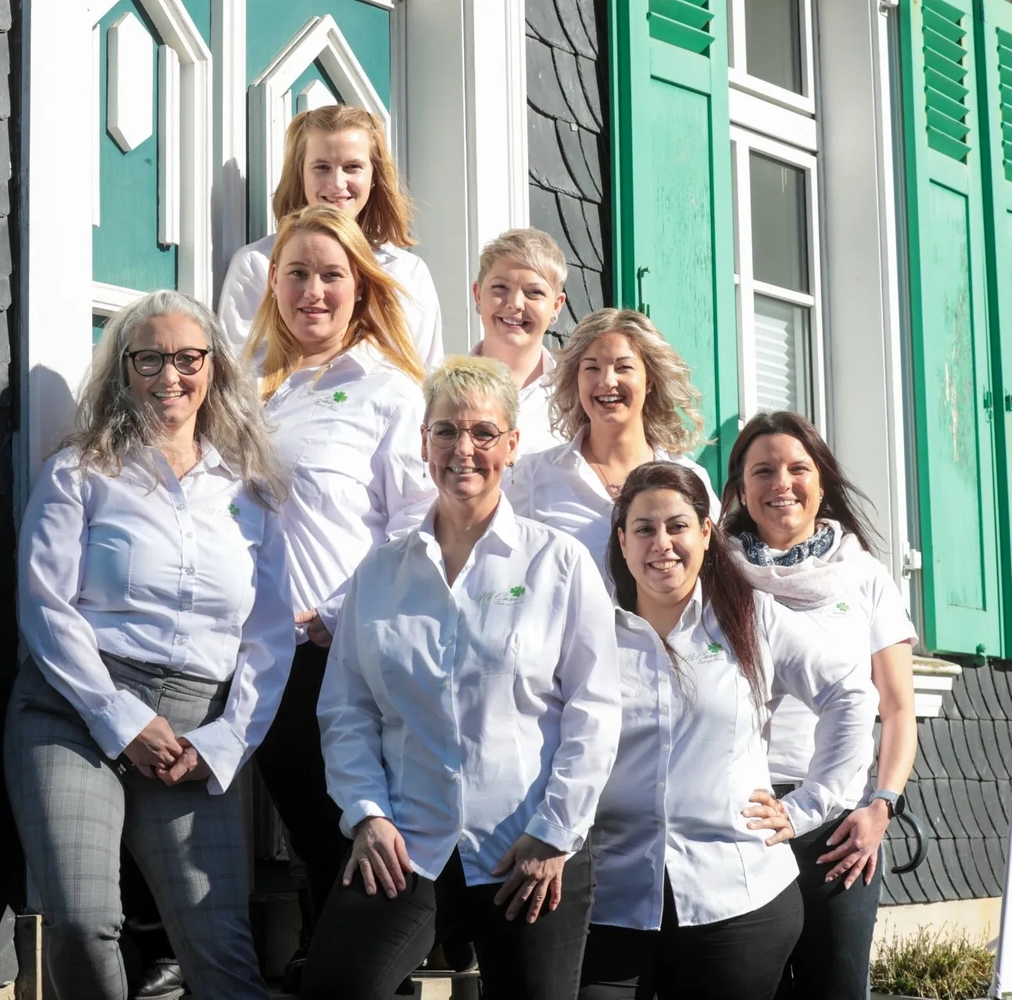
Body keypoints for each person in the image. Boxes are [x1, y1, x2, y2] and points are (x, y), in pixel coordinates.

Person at [4, 289, 294, 1000]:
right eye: (151, 359)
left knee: (219, 949)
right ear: (124, 371)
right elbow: (45, 608)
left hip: (195, 733)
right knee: (81, 923)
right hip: (74, 711)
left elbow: (269, 635)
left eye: (188, 357)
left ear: (214, 368)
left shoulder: (252, 492)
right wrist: (122, 720)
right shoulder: (80, 471)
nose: (171, 375)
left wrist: (226, 743)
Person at [306, 356, 623, 1000]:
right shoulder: (380, 573)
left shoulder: (557, 563)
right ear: (424, 442)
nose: (463, 449)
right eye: (446, 431)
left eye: (483, 432)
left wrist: (554, 832)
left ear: (511, 443)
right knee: (336, 986)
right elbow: (347, 711)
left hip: (527, 850)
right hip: (408, 843)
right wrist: (367, 815)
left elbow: (596, 710)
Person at [579, 461, 876, 1000]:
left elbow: (851, 693)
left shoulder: (751, 618)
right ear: (621, 542)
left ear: (706, 534)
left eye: (677, 526)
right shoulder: (591, 634)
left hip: (737, 899)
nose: (661, 543)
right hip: (614, 897)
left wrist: (810, 804)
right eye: (644, 528)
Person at [245, 203, 437, 986]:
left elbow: (417, 526)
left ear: (361, 287)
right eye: (296, 274)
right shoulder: (256, 388)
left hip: (338, 653)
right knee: (309, 831)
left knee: (343, 837)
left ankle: (345, 971)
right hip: (258, 656)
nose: (312, 291)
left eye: (331, 274)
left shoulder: (388, 391)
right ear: (274, 285)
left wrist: (330, 617)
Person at [720, 411, 919, 1000]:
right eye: (763, 471)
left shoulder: (865, 578)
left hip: (841, 826)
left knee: (834, 987)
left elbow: (899, 709)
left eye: (796, 468)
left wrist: (881, 806)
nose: (781, 482)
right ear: (740, 490)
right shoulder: (714, 578)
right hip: (742, 814)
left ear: (821, 482)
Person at [218, 104, 443, 368]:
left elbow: (427, 376)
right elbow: (238, 375)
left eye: (352, 167)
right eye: (322, 167)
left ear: (374, 175)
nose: (337, 184)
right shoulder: (256, 264)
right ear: (301, 172)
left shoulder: (408, 273)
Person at [505, 308, 719, 576]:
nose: (607, 381)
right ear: (577, 379)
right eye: (592, 368)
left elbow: (716, 578)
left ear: (649, 379)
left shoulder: (690, 478)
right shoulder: (533, 476)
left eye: (623, 367)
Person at [469, 228, 569, 456]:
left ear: (556, 305)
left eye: (534, 292)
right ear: (477, 294)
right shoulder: (439, 393)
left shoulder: (576, 398)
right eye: (500, 288)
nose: (515, 303)